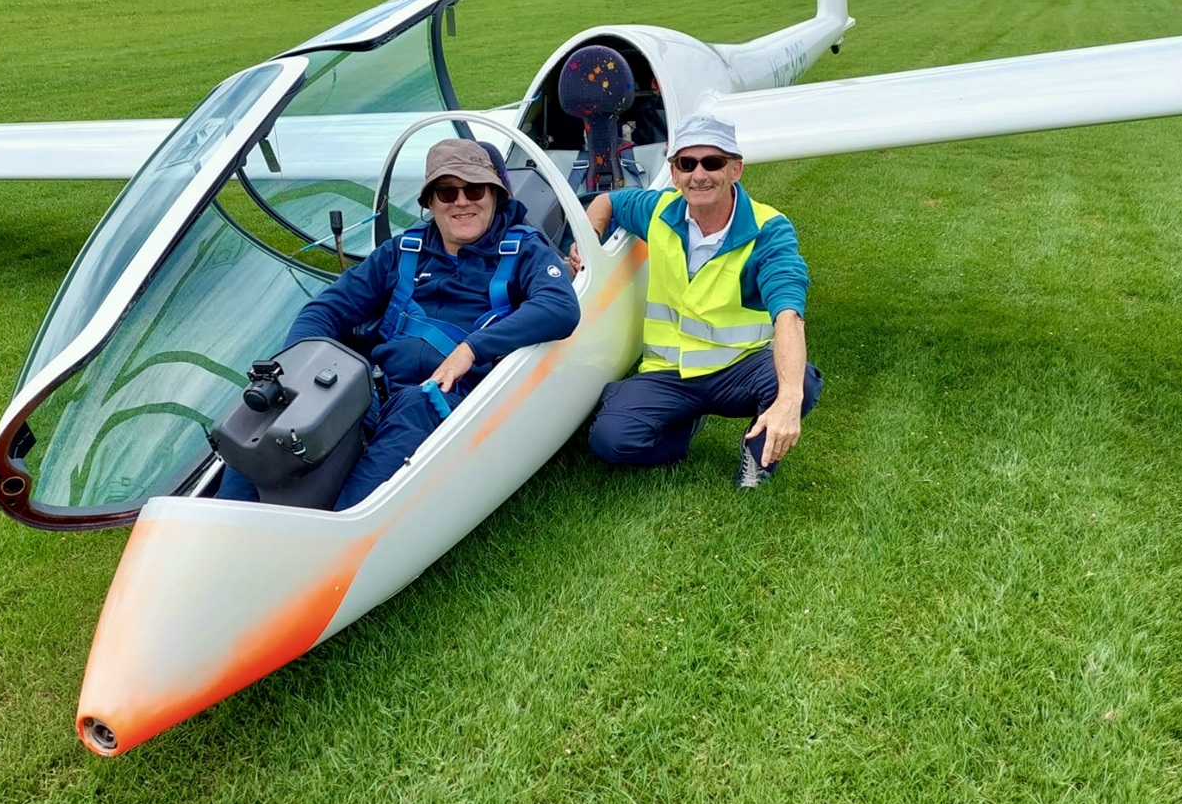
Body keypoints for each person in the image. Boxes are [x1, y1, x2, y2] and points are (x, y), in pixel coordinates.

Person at [219, 139, 580, 509]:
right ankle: (224, 518)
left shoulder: (523, 250)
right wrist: (296, 376)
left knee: (416, 403)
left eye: (474, 190)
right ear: (430, 202)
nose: (461, 201)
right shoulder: (402, 251)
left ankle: (343, 526)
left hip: (455, 401)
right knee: (270, 408)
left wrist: (471, 349)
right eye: (447, 192)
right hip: (377, 392)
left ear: (495, 196)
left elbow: (560, 307)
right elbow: (324, 311)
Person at [574, 114, 822, 488]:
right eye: (687, 164)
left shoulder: (768, 230)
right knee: (610, 441)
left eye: (713, 162)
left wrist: (789, 398)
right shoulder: (659, 210)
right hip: (670, 373)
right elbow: (606, 201)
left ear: (736, 169)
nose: (699, 175)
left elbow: (789, 314)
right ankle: (681, 430)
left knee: (800, 382)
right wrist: (589, 240)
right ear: (674, 174)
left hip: (739, 368)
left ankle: (758, 458)